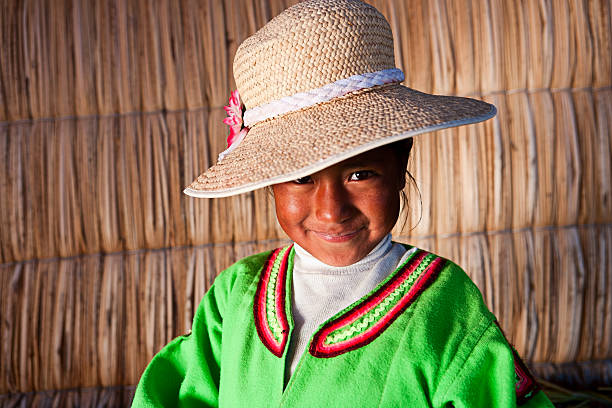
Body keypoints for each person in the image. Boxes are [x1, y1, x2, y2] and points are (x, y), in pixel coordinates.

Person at [132, 0, 553, 406]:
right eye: (301, 177)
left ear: (400, 158)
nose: (332, 210)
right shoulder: (235, 295)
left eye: (359, 174)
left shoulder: (447, 307)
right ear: (271, 182)